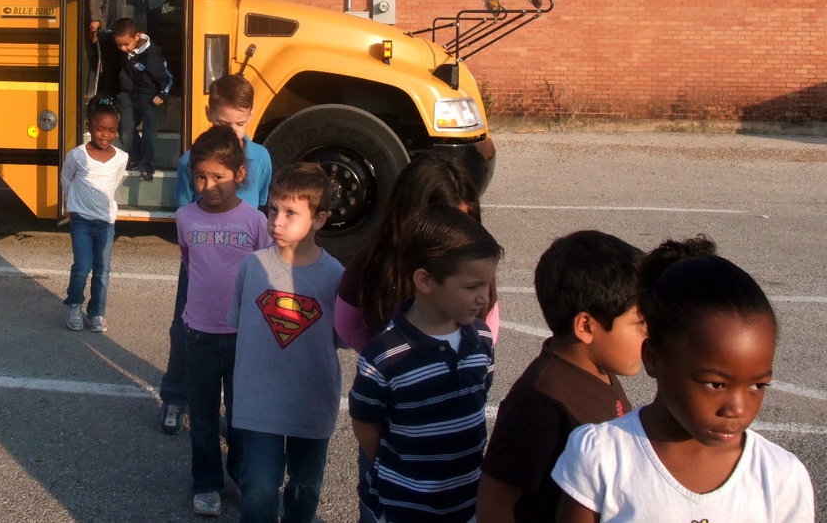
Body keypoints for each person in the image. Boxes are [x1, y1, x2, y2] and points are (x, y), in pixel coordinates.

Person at [552, 236, 814, 522]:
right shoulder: (602, 456)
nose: (737, 409)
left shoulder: (780, 477)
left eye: (757, 385)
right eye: (716, 384)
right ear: (653, 359)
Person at [477, 230, 646, 523]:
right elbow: (495, 499)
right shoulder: (539, 404)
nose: (650, 334)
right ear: (586, 327)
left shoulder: (597, 370)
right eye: (640, 323)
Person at [349, 205, 503, 523]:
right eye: (472, 287)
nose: (484, 298)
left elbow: (479, 394)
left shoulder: (482, 338)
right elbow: (365, 423)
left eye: (487, 285)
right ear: (425, 280)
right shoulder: (384, 356)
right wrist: (397, 469)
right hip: (406, 506)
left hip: (467, 502)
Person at [229, 162, 342, 523]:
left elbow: (342, 336)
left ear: (319, 219)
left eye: (291, 212)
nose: (276, 221)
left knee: (305, 487)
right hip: (259, 402)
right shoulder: (252, 267)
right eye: (273, 209)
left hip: (311, 401)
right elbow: (239, 323)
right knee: (259, 487)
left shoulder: (335, 276)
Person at [159, 73, 272, 435]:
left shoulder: (261, 157)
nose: (232, 132)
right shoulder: (192, 161)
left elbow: (262, 204)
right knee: (185, 328)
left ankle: (239, 410)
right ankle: (175, 396)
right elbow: (184, 210)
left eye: (239, 124)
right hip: (203, 263)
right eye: (224, 124)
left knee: (243, 334)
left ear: (251, 116)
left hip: (244, 264)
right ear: (209, 114)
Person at [177, 125, 272, 518]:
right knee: (201, 417)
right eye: (200, 177)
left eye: (219, 176)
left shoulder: (255, 222)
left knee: (240, 416)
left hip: (243, 335)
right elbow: (189, 263)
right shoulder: (185, 217)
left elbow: (266, 274)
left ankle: (241, 474)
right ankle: (206, 483)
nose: (209, 186)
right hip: (198, 333)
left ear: (240, 174)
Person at [335, 153, 498, 352]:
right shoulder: (373, 265)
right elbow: (347, 324)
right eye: (446, 224)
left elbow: (489, 325)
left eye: (465, 221)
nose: (456, 235)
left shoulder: (475, 264)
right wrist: (382, 358)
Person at [59, 96, 130, 333]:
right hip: (81, 220)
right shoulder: (77, 155)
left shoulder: (121, 157)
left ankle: (97, 312)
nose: (105, 135)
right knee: (82, 266)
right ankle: (73, 306)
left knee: (103, 270)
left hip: (106, 222)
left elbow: (115, 181)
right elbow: (66, 177)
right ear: (89, 127)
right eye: (100, 129)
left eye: (111, 130)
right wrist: (74, 203)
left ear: (117, 131)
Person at [113, 16, 172, 182]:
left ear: (137, 36)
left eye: (126, 44)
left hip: (148, 97)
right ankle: (136, 156)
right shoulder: (124, 45)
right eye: (119, 45)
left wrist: (162, 94)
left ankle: (147, 166)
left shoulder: (153, 56)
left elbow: (168, 78)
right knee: (125, 129)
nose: (123, 49)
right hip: (127, 94)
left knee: (149, 131)